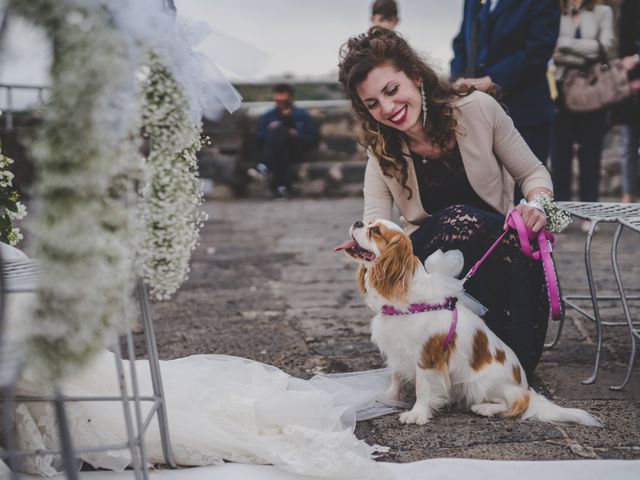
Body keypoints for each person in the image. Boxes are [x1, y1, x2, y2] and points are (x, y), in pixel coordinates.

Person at [338, 27, 554, 380]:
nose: (388, 108)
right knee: (455, 219)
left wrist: (537, 207)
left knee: (517, 369)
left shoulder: (479, 109)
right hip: (431, 266)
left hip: (495, 253)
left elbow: (533, 173)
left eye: (392, 90)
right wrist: (366, 250)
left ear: (417, 76)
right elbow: (376, 223)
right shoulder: (381, 150)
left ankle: (503, 347)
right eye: (372, 103)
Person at [450, 0, 560, 181]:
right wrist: (458, 78)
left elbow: (539, 49)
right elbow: (461, 42)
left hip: (525, 113)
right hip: (479, 117)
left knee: (525, 196)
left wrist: (493, 80)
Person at [550, 0, 614, 206]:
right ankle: (562, 211)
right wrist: (586, 53)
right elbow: (551, 48)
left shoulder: (603, 11)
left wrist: (565, 46)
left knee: (591, 152)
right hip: (559, 89)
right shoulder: (554, 11)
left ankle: (590, 208)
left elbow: (604, 46)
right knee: (560, 153)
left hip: (592, 88)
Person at [248, 83, 317, 199]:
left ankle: (263, 166)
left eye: (283, 101)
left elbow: (312, 139)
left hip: (296, 150)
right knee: (280, 145)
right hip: (278, 151)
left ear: (290, 98)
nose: (280, 104)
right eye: (278, 101)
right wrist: (272, 131)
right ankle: (281, 189)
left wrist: (295, 134)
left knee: (280, 131)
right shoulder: (268, 116)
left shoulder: (302, 115)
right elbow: (259, 137)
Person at [617, 0, 640, 203]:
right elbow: (621, 45)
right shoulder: (629, 6)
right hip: (630, 86)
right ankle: (628, 194)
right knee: (628, 145)